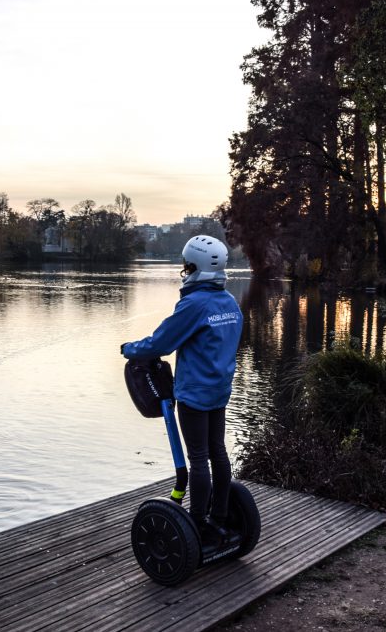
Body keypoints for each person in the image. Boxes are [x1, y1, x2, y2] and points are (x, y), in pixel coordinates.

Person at [121, 235, 243, 548]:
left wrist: (129, 349)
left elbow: (161, 342)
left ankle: (199, 521)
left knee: (199, 459)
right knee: (218, 451)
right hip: (219, 390)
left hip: (195, 394)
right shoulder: (228, 302)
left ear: (194, 267)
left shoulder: (194, 304)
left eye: (186, 265)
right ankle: (219, 516)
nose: (184, 270)